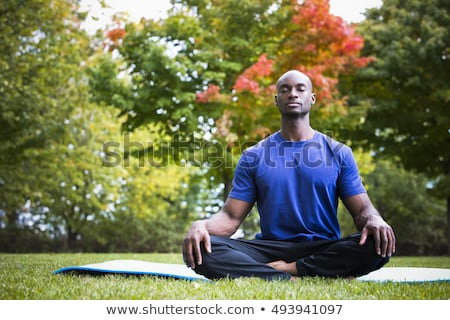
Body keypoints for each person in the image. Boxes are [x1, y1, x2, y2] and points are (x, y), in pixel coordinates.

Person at [182, 70, 396, 281]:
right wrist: (202, 225)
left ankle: (288, 270)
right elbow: (230, 218)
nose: (292, 94)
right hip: (270, 248)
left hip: (322, 246)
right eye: (285, 90)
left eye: (300, 89)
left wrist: (375, 219)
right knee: (202, 248)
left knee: (378, 242)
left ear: (312, 99)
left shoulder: (339, 153)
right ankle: (303, 273)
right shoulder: (253, 156)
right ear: (277, 100)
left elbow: (362, 211)